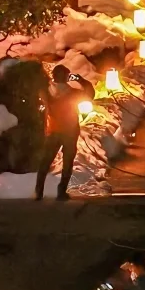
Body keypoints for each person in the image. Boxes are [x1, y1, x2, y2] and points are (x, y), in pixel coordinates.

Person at [34, 64, 95, 202]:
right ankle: (61, 192)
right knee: (67, 162)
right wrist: (81, 80)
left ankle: (39, 192)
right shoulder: (73, 93)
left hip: (53, 131)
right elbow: (90, 94)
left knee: (45, 162)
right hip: (70, 131)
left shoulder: (45, 91)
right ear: (67, 77)